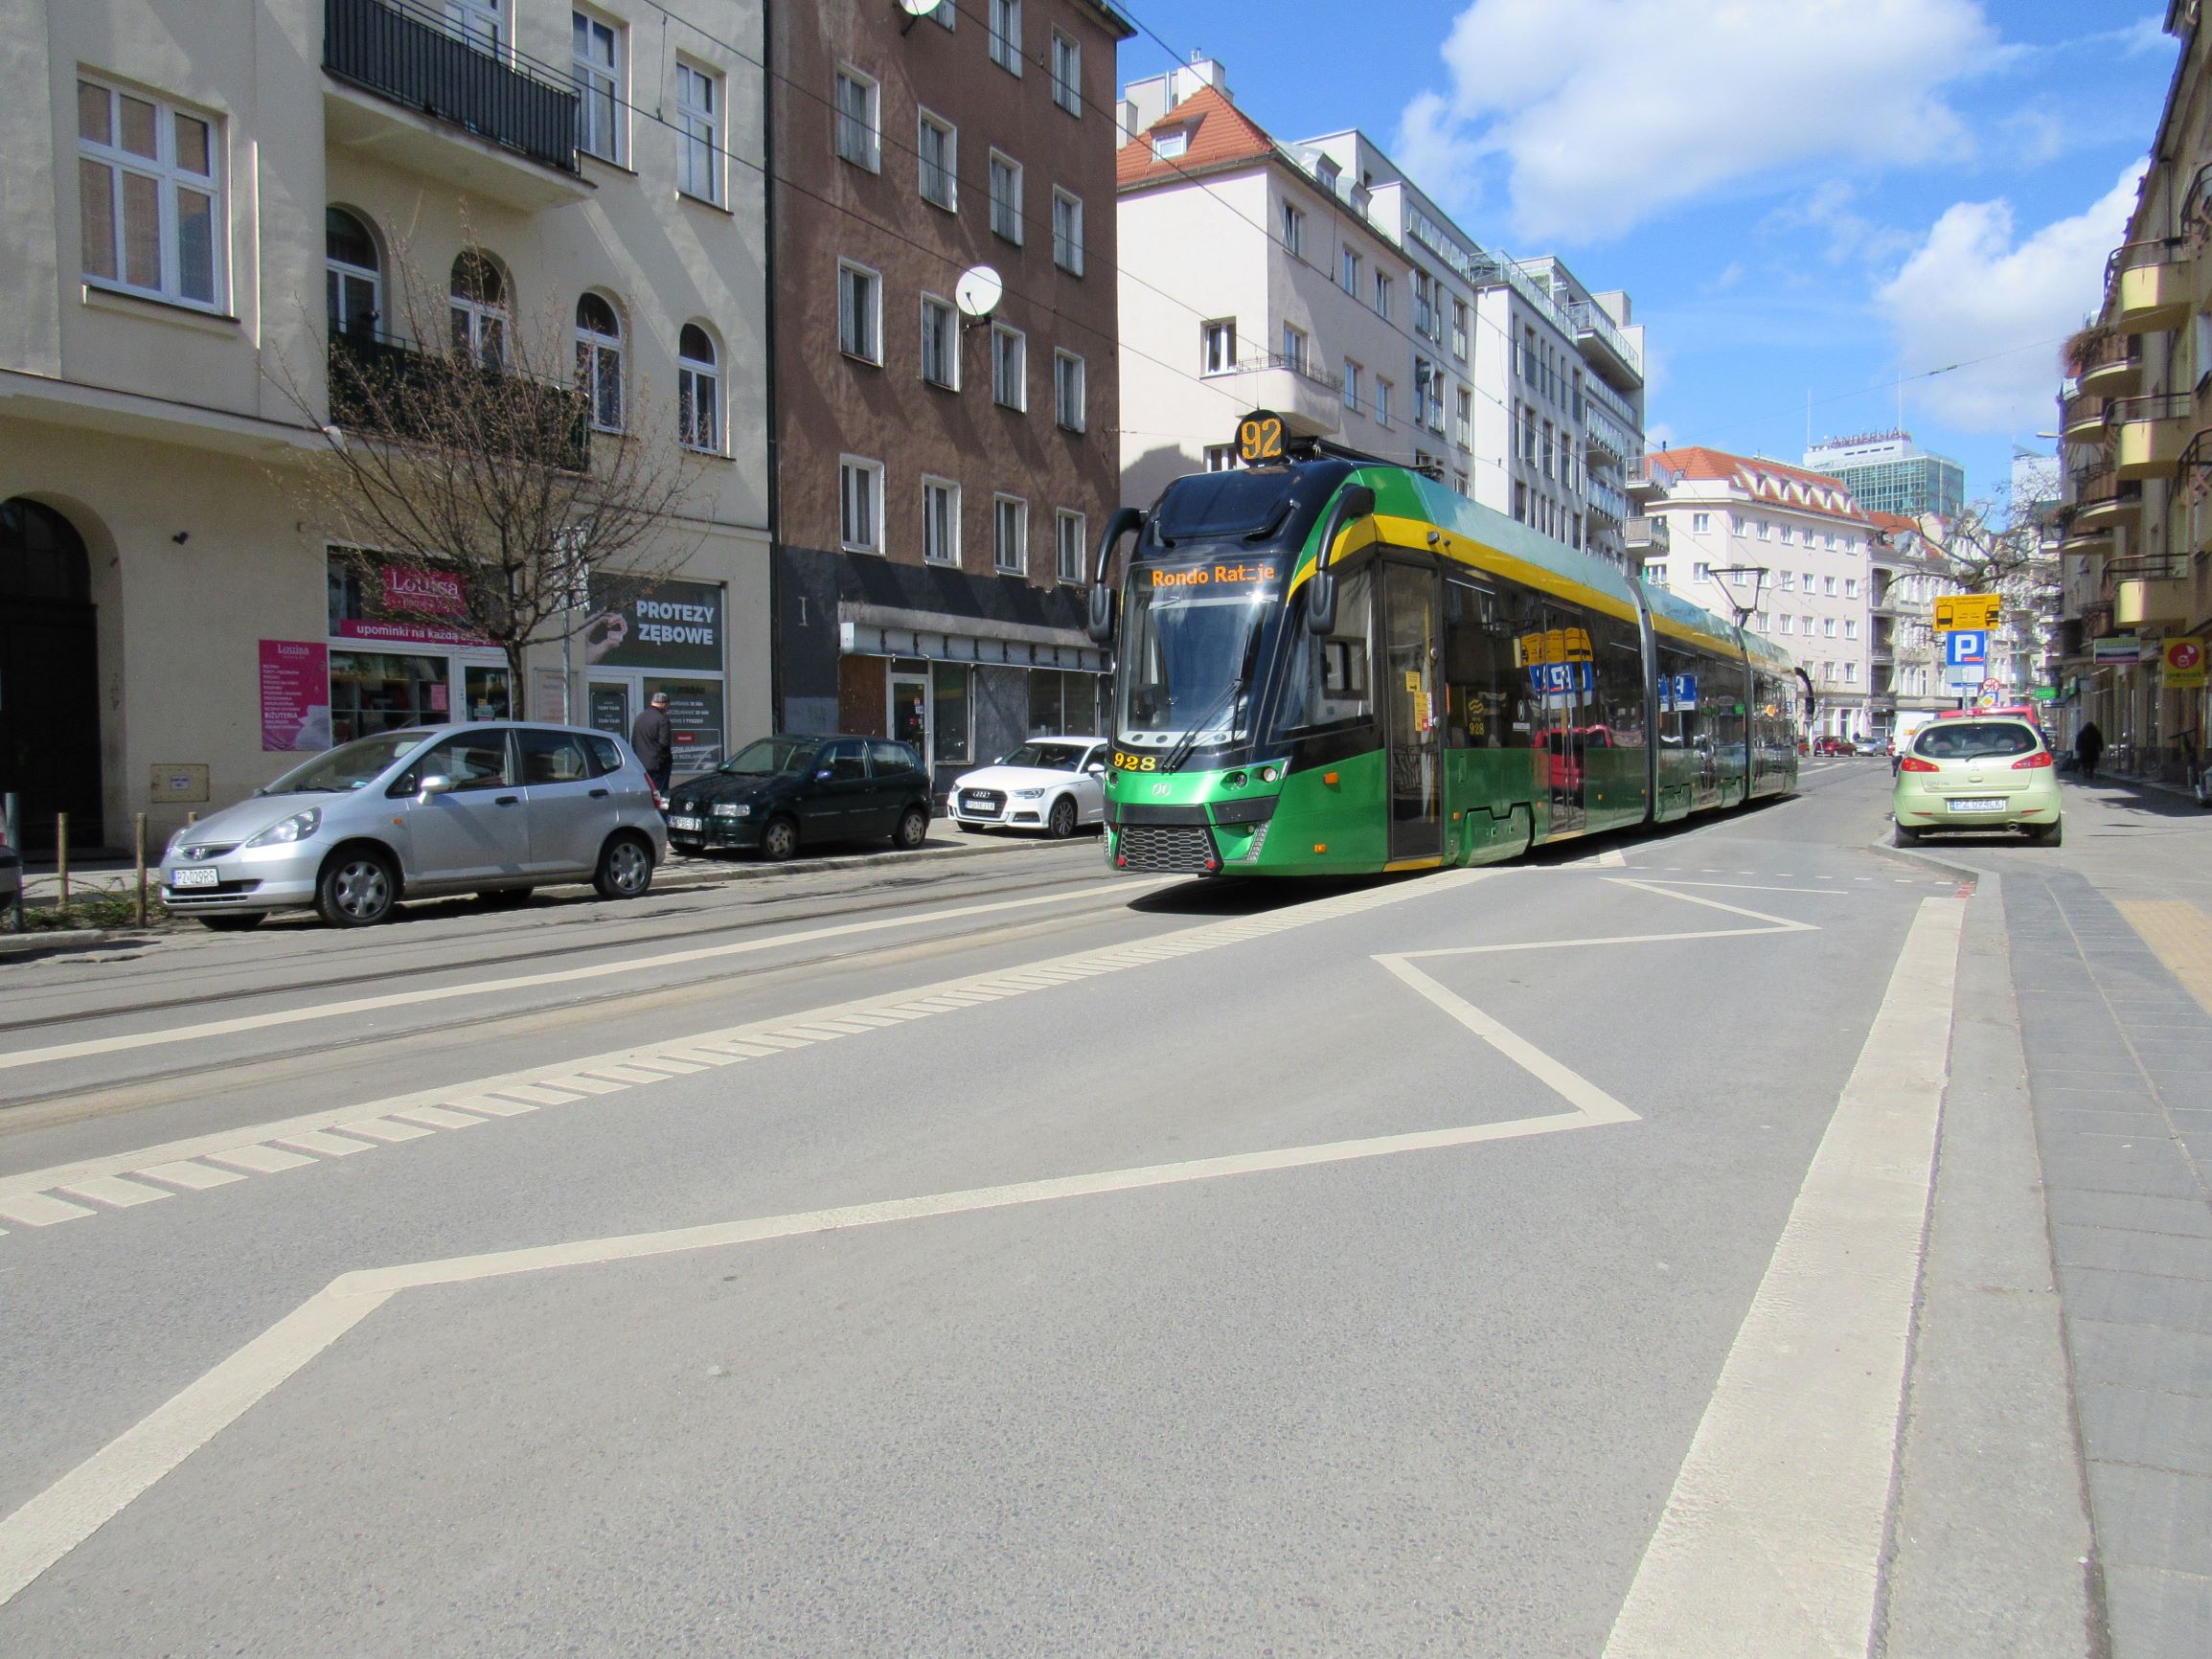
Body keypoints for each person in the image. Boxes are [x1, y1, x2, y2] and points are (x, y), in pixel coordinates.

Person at [630, 692, 673, 802]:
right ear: (664, 704)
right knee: (660, 795)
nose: (668, 708)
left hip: (642, 764)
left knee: (647, 794)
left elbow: (634, 741)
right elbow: (664, 744)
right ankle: (660, 816)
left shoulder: (640, 717)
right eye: (668, 705)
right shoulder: (662, 719)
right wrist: (665, 760)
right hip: (658, 765)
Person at [2074, 720, 2104, 784]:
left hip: (2084, 751)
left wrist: (2078, 748)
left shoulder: (2082, 733)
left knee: (2084, 762)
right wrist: (2101, 748)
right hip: (2093, 750)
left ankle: (2085, 772)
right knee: (2092, 763)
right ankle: (2090, 773)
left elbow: (2078, 741)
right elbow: (2100, 741)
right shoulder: (2096, 733)